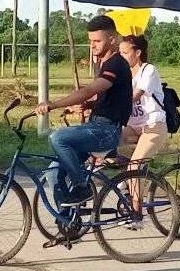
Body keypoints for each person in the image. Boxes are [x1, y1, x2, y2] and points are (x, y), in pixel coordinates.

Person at [35, 15, 133, 211]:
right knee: (54, 171)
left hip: (106, 131)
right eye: (90, 41)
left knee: (58, 138)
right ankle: (68, 221)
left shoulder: (116, 64)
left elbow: (90, 90)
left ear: (113, 40)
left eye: (97, 41)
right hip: (95, 125)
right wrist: (87, 106)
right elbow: (104, 98)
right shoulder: (104, 64)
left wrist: (53, 104)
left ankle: (82, 187)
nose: (93, 45)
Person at [118, 35, 168, 167]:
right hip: (132, 126)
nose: (121, 56)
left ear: (138, 53)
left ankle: (130, 179)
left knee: (134, 167)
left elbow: (135, 96)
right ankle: (122, 183)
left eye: (125, 53)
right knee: (101, 145)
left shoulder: (148, 70)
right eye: (120, 53)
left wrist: (115, 105)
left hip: (152, 125)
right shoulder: (124, 73)